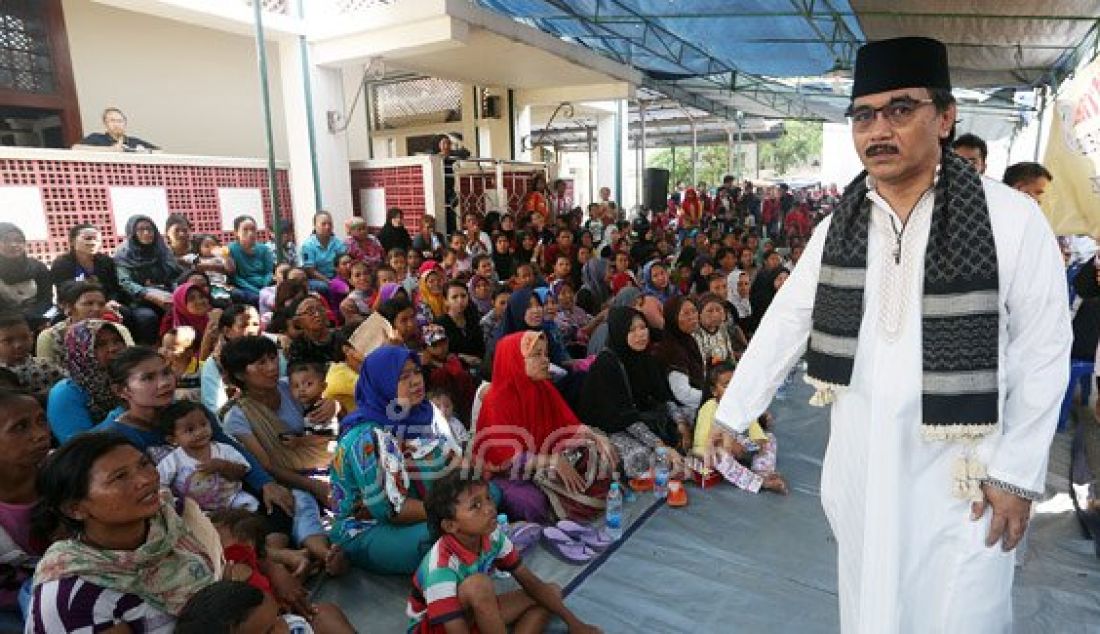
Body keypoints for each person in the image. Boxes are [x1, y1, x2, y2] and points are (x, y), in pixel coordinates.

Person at [715, 37, 1071, 633]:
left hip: (966, 477)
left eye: (900, 110)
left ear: (945, 115)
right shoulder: (841, 225)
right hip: (864, 463)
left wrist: (1017, 474)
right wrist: (734, 413)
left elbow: (1043, 352)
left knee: (963, 613)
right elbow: (787, 319)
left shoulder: (1011, 219)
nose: (878, 129)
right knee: (872, 609)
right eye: (863, 115)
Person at [28, 433, 220, 632]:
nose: (146, 479)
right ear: (75, 509)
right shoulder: (76, 597)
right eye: (120, 477)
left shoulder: (169, 517)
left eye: (144, 464)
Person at [409, 470, 602, 634]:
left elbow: (530, 582)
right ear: (451, 525)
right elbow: (450, 626)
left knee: (550, 593)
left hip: (469, 615)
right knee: (478, 585)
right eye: (475, 506)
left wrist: (575, 624)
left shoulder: (492, 536)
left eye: (488, 498)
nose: (490, 509)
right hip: (437, 626)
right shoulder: (440, 566)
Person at [220, 336, 345, 577]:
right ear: (240, 374)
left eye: (272, 358)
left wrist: (334, 405)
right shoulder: (237, 416)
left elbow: (325, 410)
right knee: (300, 504)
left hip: (326, 464)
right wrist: (313, 486)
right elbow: (267, 465)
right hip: (287, 478)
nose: (271, 367)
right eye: (260, 363)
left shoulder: (293, 386)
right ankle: (323, 553)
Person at [329, 345, 450, 574]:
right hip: (370, 525)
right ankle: (351, 552)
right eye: (403, 377)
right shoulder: (366, 436)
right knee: (438, 537)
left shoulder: (423, 412)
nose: (416, 381)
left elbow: (447, 463)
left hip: (424, 506)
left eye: (416, 372)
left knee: (487, 495)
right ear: (381, 384)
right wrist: (454, 510)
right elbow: (391, 511)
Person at [473, 331, 613, 524]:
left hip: (544, 458)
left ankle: (571, 507)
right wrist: (550, 461)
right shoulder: (496, 400)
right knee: (534, 503)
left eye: (545, 354)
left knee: (600, 453)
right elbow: (505, 459)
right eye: (536, 355)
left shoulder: (542, 387)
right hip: (506, 473)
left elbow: (569, 425)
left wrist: (598, 438)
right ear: (516, 359)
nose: (545, 361)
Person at [579, 307, 686, 478]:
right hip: (611, 428)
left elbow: (664, 396)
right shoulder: (607, 365)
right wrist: (659, 445)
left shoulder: (646, 357)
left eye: (643, 327)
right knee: (641, 457)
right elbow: (623, 417)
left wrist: (681, 423)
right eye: (632, 330)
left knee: (688, 422)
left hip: (641, 419)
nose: (641, 334)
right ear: (619, 332)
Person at [693, 363, 786, 494]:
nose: (732, 390)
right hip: (710, 453)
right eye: (726, 386)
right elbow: (701, 443)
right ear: (714, 391)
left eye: (736, 385)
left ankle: (763, 471)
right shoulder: (709, 407)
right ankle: (759, 483)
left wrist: (759, 442)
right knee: (720, 455)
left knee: (769, 438)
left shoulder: (741, 405)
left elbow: (754, 429)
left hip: (737, 446)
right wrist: (726, 445)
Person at [0, 389, 50, 629]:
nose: (40, 434)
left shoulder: (63, 480)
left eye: (42, 421)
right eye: (20, 427)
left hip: (58, 596)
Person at [156, 400, 260, 513]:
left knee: (251, 504)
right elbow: (159, 483)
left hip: (232, 501)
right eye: (190, 430)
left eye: (203, 424)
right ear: (173, 440)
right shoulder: (173, 460)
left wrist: (223, 466)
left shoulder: (224, 450)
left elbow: (242, 471)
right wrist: (173, 501)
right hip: (196, 511)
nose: (200, 432)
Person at [46, 319, 127, 442]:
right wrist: (126, 411)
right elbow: (77, 446)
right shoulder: (66, 393)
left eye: (117, 341)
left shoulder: (128, 375)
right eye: (100, 344)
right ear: (80, 351)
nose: (113, 348)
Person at [177, 580, 355, 634]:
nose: (284, 628)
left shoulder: (288, 626)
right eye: (269, 632)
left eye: (279, 616)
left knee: (325, 614)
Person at [113, 214, 183, 344]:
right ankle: (149, 352)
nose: (146, 233)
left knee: (183, 309)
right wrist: (150, 294)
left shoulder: (162, 249)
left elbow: (174, 275)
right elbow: (125, 282)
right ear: (132, 232)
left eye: (150, 229)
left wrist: (175, 293)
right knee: (147, 318)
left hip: (166, 294)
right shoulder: (123, 254)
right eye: (140, 230)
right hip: (139, 300)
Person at [0, 312, 63, 399]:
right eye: (8, 341)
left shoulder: (46, 365)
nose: (18, 345)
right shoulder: (2, 376)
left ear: (32, 337)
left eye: (25, 337)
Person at [0, 224, 52, 326]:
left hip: (38, 316)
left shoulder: (38, 267)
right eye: (6, 240)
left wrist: (34, 315)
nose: (13, 244)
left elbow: (46, 298)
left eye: (18, 240)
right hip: (6, 322)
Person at [227, 215, 275, 307]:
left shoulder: (264, 249)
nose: (250, 233)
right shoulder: (231, 249)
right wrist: (257, 291)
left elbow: (268, 272)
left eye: (253, 229)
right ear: (236, 233)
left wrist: (264, 288)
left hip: (264, 285)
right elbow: (235, 277)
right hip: (243, 287)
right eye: (245, 230)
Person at [75, 107, 159, 152]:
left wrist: (142, 152)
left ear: (125, 123)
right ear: (105, 123)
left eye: (120, 121)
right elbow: (76, 148)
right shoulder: (96, 138)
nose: (117, 124)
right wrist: (111, 150)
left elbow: (159, 151)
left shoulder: (134, 141)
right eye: (112, 121)